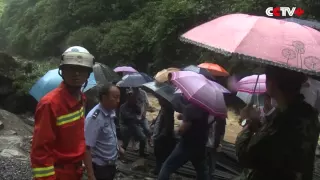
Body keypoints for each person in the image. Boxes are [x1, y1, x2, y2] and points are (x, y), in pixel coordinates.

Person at [236, 65, 319, 180]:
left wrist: (248, 122)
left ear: (272, 83)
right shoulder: (310, 114)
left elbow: (245, 156)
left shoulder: (285, 120)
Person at [30, 46, 94, 180]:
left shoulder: (82, 99)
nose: (76, 74)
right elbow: (40, 152)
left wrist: (89, 172)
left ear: (88, 73)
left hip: (76, 170)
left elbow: (79, 138)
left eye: (81, 69)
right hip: (58, 173)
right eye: (70, 68)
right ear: (62, 71)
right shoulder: (50, 104)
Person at [157, 101, 210, 180]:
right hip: (201, 144)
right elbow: (195, 120)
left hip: (187, 144)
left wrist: (177, 131)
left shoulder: (190, 108)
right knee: (202, 170)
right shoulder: (206, 110)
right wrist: (184, 116)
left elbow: (182, 129)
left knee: (167, 166)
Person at [84, 83, 124, 180]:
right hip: (100, 167)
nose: (118, 101)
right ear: (104, 97)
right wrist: (91, 175)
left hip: (111, 164)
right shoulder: (94, 118)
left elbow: (110, 133)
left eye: (119, 97)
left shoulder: (110, 111)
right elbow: (86, 147)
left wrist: (118, 147)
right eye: (115, 97)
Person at [119, 89, 148, 157]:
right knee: (125, 142)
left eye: (134, 98)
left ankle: (141, 153)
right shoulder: (123, 106)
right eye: (132, 98)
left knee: (143, 138)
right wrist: (135, 117)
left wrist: (137, 106)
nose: (133, 99)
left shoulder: (134, 105)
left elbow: (138, 112)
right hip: (125, 125)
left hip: (133, 125)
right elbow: (126, 117)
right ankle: (121, 156)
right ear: (128, 98)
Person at [152, 98, 176, 175]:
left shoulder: (168, 110)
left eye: (160, 99)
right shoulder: (163, 108)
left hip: (164, 136)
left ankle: (160, 171)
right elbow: (159, 119)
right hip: (160, 134)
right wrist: (154, 121)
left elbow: (168, 127)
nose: (158, 100)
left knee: (161, 154)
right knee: (158, 154)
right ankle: (158, 169)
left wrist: (159, 137)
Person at [206, 115, 226, 180]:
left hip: (214, 145)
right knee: (202, 165)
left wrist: (220, 144)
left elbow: (222, 132)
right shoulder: (204, 114)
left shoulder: (221, 118)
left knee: (212, 166)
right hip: (204, 144)